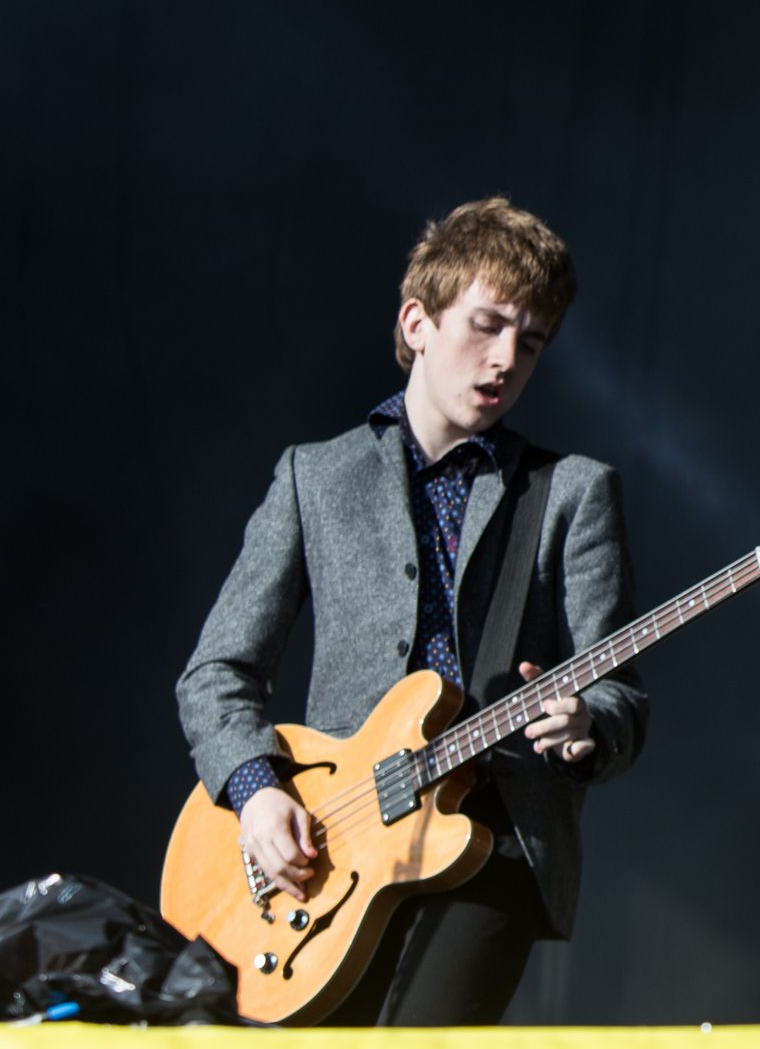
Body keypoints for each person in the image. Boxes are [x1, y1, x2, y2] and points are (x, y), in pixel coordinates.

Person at [175, 196, 647, 1024]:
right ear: (418, 322)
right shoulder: (314, 478)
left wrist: (588, 727)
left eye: (529, 342)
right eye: (486, 324)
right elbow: (219, 670)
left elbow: (621, 696)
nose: (504, 358)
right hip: (334, 849)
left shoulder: (572, 492)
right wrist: (254, 793)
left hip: (491, 838)